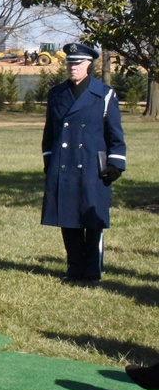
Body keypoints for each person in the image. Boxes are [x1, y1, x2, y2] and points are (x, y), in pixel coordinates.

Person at [41, 42, 126, 284]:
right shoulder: (56, 94)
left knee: (93, 220)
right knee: (68, 219)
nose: (72, 67)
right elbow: (49, 133)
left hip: (91, 166)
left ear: (89, 64)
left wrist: (116, 164)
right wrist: (49, 161)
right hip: (64, 165)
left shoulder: (104, 94)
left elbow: (115, 134)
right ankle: (74, 268)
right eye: (69, 63)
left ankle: (92, 271)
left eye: (77, 63)